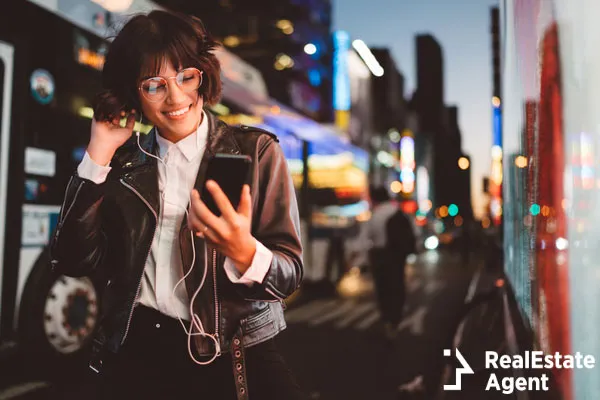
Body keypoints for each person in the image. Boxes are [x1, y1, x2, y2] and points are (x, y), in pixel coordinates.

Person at [49, 10, 304, 400]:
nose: (177, 97)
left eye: (187, 76)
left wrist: (245, 252)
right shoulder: (123, 160)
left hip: (235, 349)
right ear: (132, 92)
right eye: (154, 85)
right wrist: (98, 152)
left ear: (203, 73)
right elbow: (73, 259)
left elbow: (289, 275)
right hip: (139, 349)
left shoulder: (256, 151)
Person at [365, 186, 416, 340]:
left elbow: (368, 237)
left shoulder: (376, 215)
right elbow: (413, 233)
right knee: (397, 285)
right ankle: (396, 319)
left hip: (380, 255)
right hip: (397, 256)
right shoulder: (398, 211)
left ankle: (387, 320)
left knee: (383, 289)